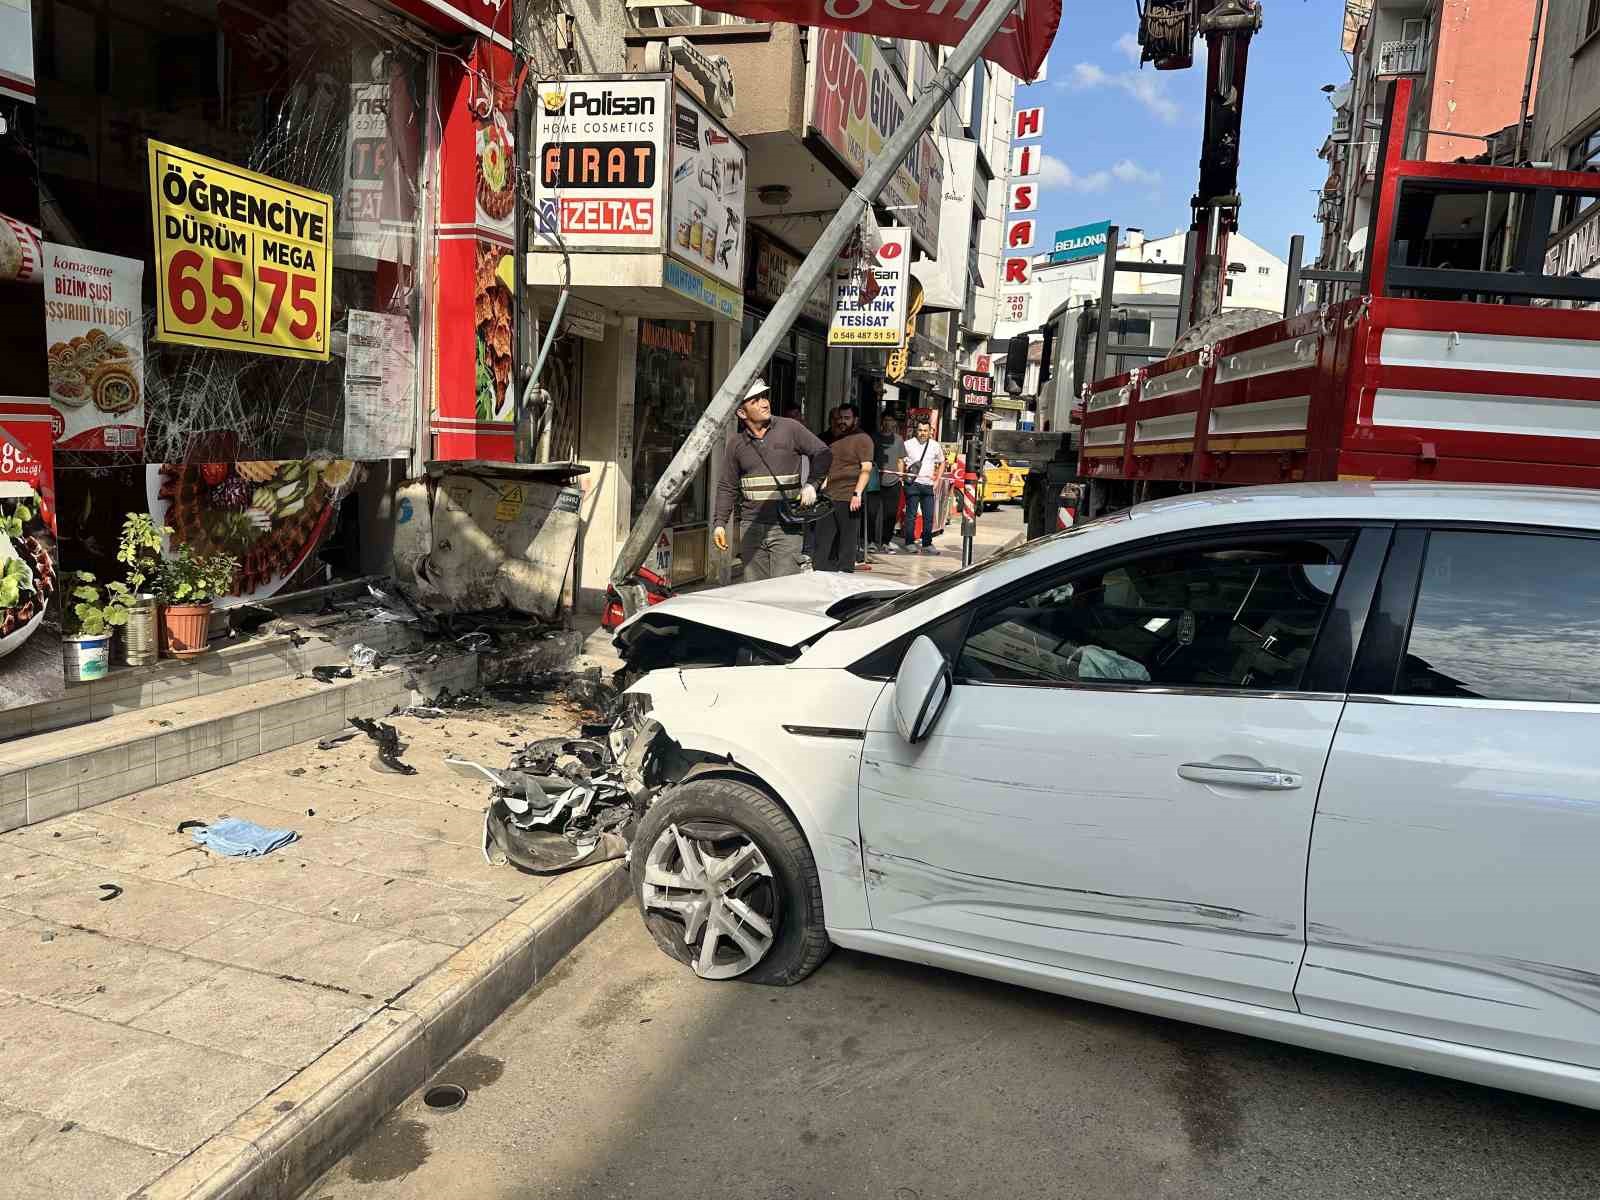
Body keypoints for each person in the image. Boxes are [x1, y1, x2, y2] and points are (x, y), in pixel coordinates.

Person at [713, 379, 832, 582]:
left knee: (783, 590)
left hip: (786, 527)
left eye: (764, 397)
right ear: (742, 413)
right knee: (754, 591)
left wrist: (812, 485)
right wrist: (720, 524)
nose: (764, 403)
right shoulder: (736, 444)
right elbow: (727, 486)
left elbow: (823, 452)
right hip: (750, 527)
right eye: (755, 401)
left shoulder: (790, 428)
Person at [815, 403, 873, 572]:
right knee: (822, 543)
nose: (842, 421)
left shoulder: (863, 439)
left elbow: (866, 468)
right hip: (827, 497)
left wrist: (857, 494)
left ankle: (845, 576)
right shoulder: (832, 438)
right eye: (840, 418)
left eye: (847, 418)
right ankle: (821, 573)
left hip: (849, 498)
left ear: (855, 419)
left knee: (847, 544)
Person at [899, 416, 944, 555]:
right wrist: (901, 477)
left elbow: (942, 462)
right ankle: (909, 542)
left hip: (928, 485)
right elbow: (900, 460)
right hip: (912, 484)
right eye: (920, 430)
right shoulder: (908, 444)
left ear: (930, 431)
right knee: (911, 515)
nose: (922, 433)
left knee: (929, 516)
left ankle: (927, 543)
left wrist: (937, 480)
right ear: (915, 431)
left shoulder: (935, 445)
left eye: (925, 430)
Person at [868, 413, 906, 554]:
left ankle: (885, 542)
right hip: (875, 482)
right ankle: (870, 541)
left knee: (890, 514)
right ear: (882, 422)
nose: (888, 422)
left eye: (891, 420)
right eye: (886, 419)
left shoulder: (899, 439)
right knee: (872, 512)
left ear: (895, 423)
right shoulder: (874, 437)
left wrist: (901, 478)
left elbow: (900, 460)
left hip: (893, 482)